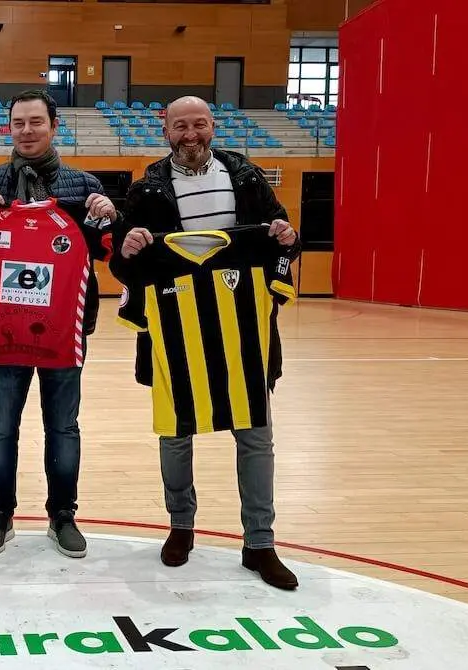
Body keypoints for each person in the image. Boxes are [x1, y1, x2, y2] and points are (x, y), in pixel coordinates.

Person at [111, 95, 301, 590]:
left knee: (256, 437)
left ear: (212, 127)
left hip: (244, 336)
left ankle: (260, 543)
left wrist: (285, 235)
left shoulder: (247, 177)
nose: (189, 134)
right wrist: (128, 250)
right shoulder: (146, 189)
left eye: (198, 124)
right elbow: (122, 266)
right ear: (166, 131)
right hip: (175, 337)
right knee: (175, 437)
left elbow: (285, 239)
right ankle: (181, 527)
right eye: (180, 126)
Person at [0, 90, 118, 559]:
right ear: (10, 127)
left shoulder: (83, 186)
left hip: (65, 330)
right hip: (3, 332)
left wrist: (110, 217)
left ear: (53, 125)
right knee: (1, 427)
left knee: (64, 427)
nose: (26, 130)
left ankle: (63, 516)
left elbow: (109, 248)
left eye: (35, 121)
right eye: (18, 122)